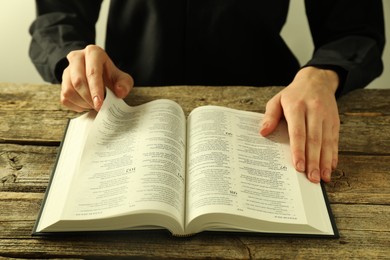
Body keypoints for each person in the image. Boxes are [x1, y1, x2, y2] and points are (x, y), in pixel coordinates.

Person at [29, 0, 385, 184]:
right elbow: (58, 17)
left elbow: (354, 29)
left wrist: (323, 74)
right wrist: (71, 58)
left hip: (269, 113)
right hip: (127, 104)